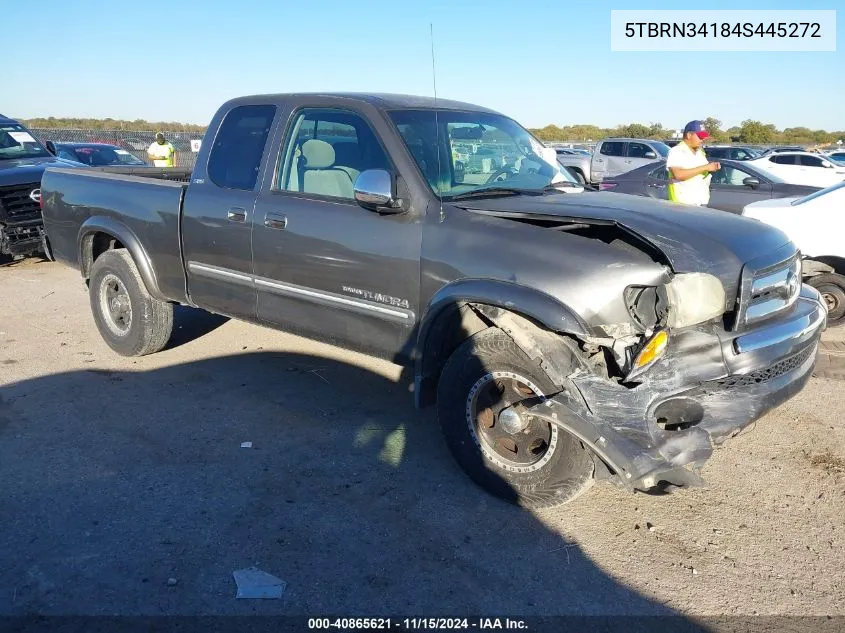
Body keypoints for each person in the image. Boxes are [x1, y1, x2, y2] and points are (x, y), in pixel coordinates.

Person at [666, 121, 720, 206]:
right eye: (700, 137)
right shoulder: (677, 151)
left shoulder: (700, 152)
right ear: (689, 135)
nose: (702, 140)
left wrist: (712, 167)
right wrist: (705, 167)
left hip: (701, 202)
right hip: (682, 204)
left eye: (703, 137)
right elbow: (678, 174)